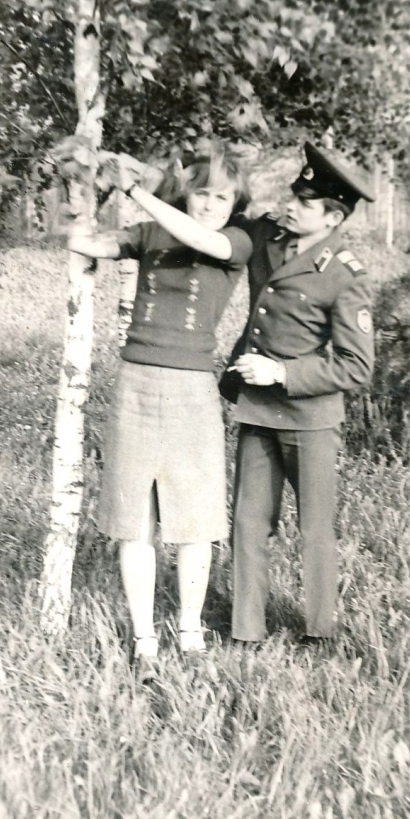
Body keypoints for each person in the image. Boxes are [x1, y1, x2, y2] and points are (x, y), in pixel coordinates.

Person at [66, 146, 252, 662]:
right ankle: (144, 638)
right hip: (137, 384)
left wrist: (135, 191)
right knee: (135, 519)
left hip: (193, 390)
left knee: (196, 520)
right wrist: (78, 183)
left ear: (235, 204)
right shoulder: (150, 232)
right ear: (187, 193)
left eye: (222, 197)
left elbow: (200, 238)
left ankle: (190, 633)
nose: (210, 204)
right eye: (202, 193)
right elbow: (86, 242)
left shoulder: (237, 240)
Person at [220, 141, 375, 645]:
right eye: (292, 195)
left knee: (315, 529)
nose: (289, 206)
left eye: (304, 203)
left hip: (310, 419)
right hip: (257, 409)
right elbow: (223, 217)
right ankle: (246, 630)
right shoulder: (268, 235)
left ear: (332, 217)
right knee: (248, 522)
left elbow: (356, 365)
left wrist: (281, 373)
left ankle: (320, 631)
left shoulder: (344, 274)